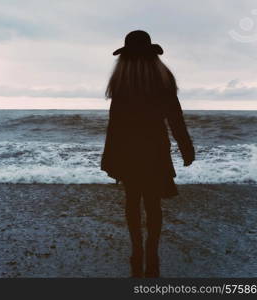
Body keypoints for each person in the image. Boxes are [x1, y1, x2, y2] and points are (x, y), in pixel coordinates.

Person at [101, 30, 195, 278]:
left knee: (132, 200)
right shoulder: (162, 80)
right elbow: (176, 118)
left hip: (126, 149)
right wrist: (186, 146)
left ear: (126, 57)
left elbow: (115, 125)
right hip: (154, 148)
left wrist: (109, 158)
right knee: (153, 203)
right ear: (152, 55)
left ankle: (137, 250)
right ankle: (152, 250)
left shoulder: (121, 82)